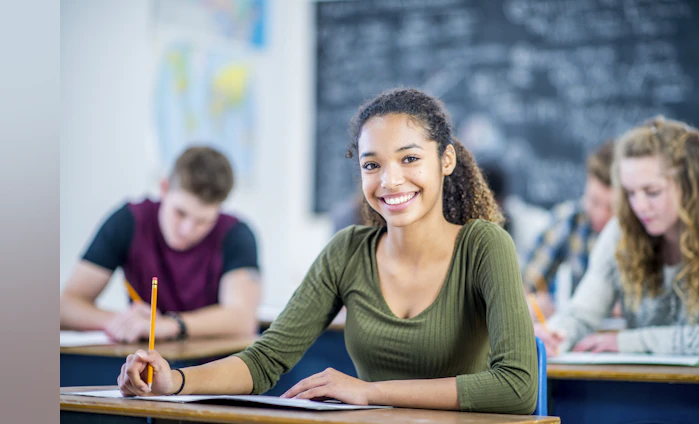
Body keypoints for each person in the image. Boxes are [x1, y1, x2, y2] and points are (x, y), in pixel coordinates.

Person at [116, 88, 538, 414]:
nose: (390, 181)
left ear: (446, 160)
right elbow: (267, 360)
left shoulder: (484, 244)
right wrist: (175, 382)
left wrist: (369, 392)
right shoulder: (348, 250)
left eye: (409, 159)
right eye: (372, 165)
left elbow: (518, 387)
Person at [537, 116, 699, 356]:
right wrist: (554, 335)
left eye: (652, 192)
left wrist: (626, 343)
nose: (640, 206)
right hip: (646, 386)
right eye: (630, 193)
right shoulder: (621, 232)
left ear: (690, 185)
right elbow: (582, 314)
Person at [60, 146, 261, 343]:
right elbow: (65, 307)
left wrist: (170, 325)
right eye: (180, 213)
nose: (187, 230)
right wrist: (120, 322)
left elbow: (242, 320)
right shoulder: (129, 222)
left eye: (203, 221)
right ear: (164, 188)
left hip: (213, 367)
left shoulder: (236, 235)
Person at [523, 140, 615, 318]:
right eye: (594, 201)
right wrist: (532, 304)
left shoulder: (644, 228)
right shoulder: (570, 220)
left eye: (613, 207)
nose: (602, 214)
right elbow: (524, 285)